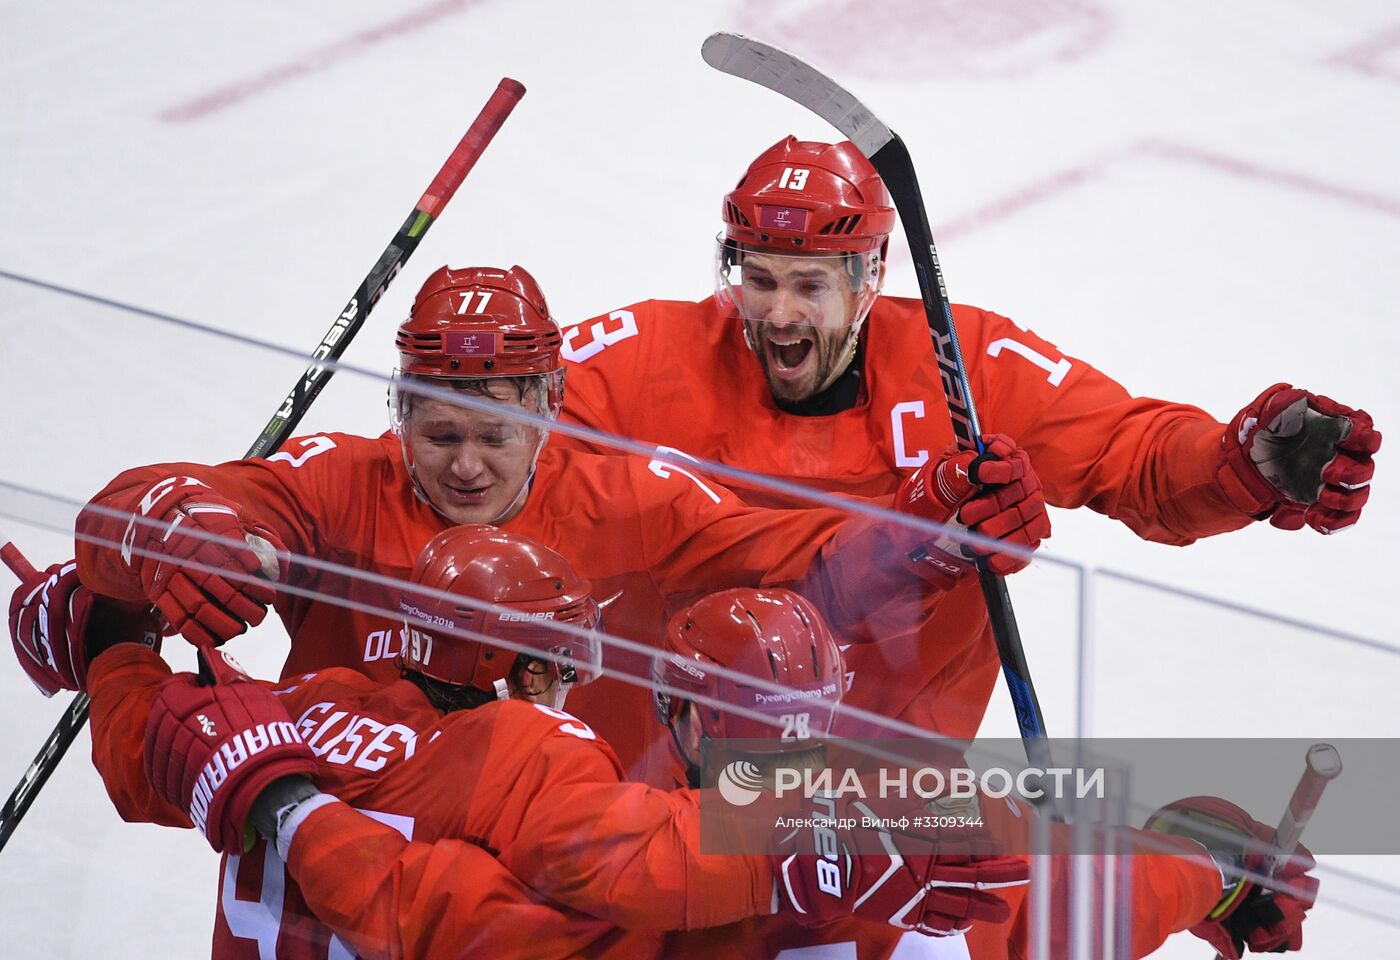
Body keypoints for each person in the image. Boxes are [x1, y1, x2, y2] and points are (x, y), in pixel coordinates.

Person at [9, 545, 1316, 960]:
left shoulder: (305, 710)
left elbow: (147, 747)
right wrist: (1201, 864)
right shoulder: (558, 797)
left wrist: (108, 631)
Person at [72, 263, 1051, 786]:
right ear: (398, 409)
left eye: (494, 434)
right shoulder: (336, 479)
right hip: (360, 837)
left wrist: (931, 522)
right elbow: (169, 505)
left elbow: (805, 563)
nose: (463, 465)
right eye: (435, 429)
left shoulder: (629, 495)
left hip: (556, 862)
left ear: (545, 407)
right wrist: (178, 523)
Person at [553, 136, 1382, 740]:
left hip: (887, 811)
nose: (776, 313)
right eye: (758, 279)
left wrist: (1234, 469)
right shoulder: (646, 356)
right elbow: (491, 442)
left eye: (808, 284)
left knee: (1045, 888)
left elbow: (1130, 453)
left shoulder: (967, 364)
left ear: (870, 277)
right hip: (657, 790)